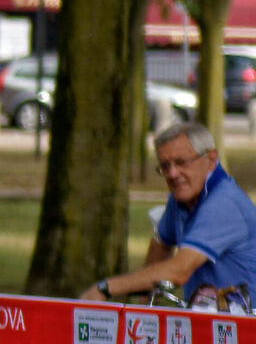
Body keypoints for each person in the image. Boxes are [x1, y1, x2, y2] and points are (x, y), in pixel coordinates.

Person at [83, 120, 256, 306]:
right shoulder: (184, 196)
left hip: (244, 327)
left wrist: (105, 288)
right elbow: (161, 240)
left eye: (181, 162)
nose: (173, 174)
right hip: (211, 323)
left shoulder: (223, 203)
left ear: (211, 159)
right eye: (165, 166)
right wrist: (144, 306)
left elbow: (179, 271)